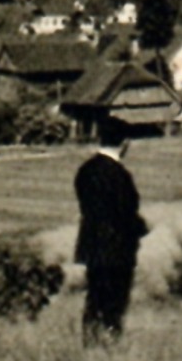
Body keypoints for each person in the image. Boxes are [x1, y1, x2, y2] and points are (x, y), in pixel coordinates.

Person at [73, 137, 149, 347]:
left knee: (94, 298)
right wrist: (141, 229)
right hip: (117, 248)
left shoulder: (85, 170)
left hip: (92, 246)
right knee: (115, 302)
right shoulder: (120, 175)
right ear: (124, 144)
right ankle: (110, 344)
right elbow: (125, 213)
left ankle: (90, 343)